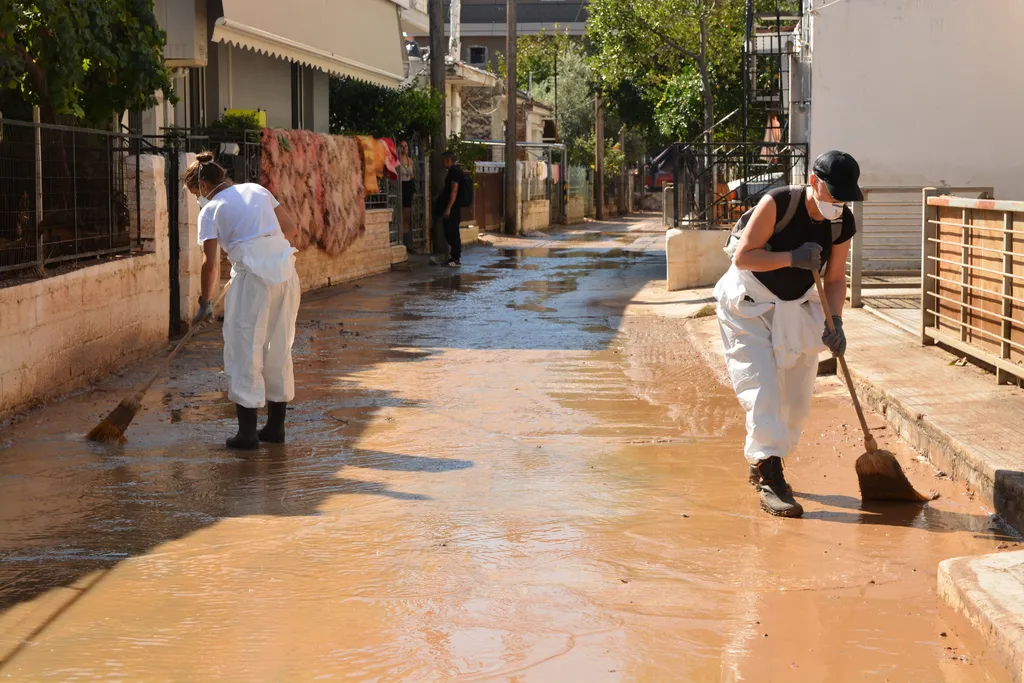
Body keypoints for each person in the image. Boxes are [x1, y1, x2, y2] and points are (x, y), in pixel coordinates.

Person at [714, 150, 862, 518]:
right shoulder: (779, 202)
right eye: (833, 194)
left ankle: (766, 456)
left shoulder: (842, 223)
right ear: (814, 182)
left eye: (844, 197)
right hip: (748, 304)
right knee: (761, 387)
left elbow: (835, 278)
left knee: (795, 403)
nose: (838, 203)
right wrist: (791, 257)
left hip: (794, 305)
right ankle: (770, 475)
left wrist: (836, 322)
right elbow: (744, 257)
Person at [184, 152, 302, 450]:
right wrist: (266, 250)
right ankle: (275, 428)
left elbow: (209, 264)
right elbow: (290, 229)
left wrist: (205, 303)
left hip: (252, 281)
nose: (199, 198)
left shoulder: (211, 211)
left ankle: (248, 434)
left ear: (203, 185)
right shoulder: (257, 189)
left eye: (196, 192)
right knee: (278, 347)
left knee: (245, 348)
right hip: (285, 273)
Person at [435, 151, 466, 268]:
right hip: (453, 208)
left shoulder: (454, 172)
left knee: (452, 233)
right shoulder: (454, 171)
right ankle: (453, 258)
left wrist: (448, 208)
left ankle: (455, 259)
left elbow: (454, 191)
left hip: (453, 209)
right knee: (450, 233)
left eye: (443, 160)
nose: (442, 163)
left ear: (448, 160)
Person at [399, 140, 416, 249]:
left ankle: (407, 242)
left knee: (407, 216)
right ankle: (399, 239)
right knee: (399, 215)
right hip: (400, 186)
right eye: (402, 146)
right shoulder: (397, 160)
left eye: (405, 146)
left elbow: (413, 176)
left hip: (408, 186)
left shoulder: (410, 160)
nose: (404, 148)